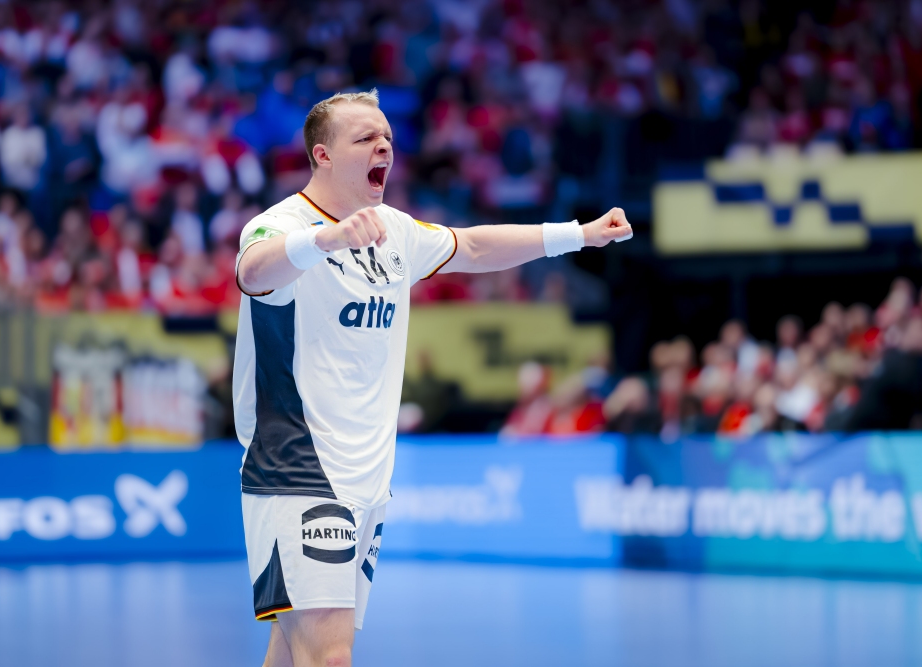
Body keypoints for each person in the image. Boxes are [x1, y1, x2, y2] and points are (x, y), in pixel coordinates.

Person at [233, 89, 633, 667]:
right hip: (297, 465)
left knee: (295, 648)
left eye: (388, 137)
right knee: (330, 655)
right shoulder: (279, 226)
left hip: (368, 473)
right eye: (365, 138)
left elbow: (473, 246)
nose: (384, 147)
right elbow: (252, 273)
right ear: (323, 155)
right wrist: (325, 240)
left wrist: (579, 235)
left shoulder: (393, 230)